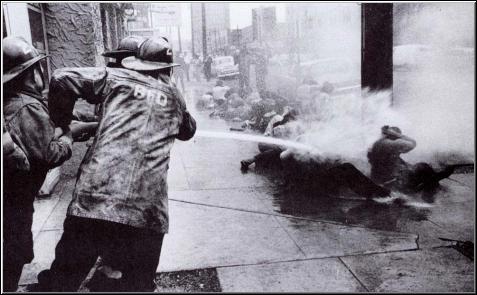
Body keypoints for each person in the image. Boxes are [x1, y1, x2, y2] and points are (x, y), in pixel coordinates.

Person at [36, 37, 197, 292]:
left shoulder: (115, 78)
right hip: (146, 212)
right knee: (137, 286)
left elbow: (61, 77)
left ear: (139, 63)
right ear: (168, 69)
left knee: (63, 281)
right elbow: (188, 131)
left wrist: (62, 121)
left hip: (95, 200)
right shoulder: (175, 99)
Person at [2, 36, 74, 292]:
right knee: (13, 254)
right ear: (29, 74)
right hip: (13, 202)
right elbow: (50, 154)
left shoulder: (9, 101)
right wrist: (68, 137)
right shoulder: (27, 106)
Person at [368, 125, 455, 194]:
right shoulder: (393, 144)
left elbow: (385, 160)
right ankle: (432, 188)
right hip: (392, 183)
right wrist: (399, 135)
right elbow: (413, 143)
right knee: (423, 167)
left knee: (414, 168)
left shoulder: (376, 144)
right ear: (394, 136)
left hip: (377, 178)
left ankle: (434, 184)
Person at [241, 107, 299, 172]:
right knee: (278, 148)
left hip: (278, 147)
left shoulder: (295, 125)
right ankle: (252, 160)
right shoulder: (282, 123)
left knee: (279, 149)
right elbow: (275, 134)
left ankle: (252, 160)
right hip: (272, 144)